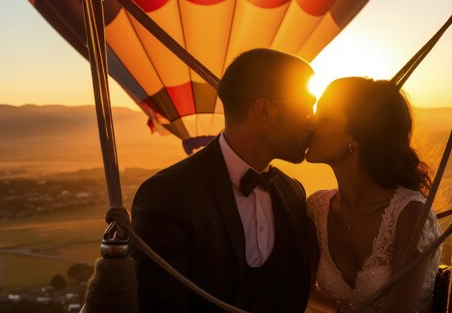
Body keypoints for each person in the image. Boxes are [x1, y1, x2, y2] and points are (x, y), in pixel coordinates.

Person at [131, 48, 317, 313]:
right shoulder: (166, 196)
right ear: (264, 111)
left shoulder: (293, 193)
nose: (312, 123)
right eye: (307, 108)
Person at [306, 77, 441, 313]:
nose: (310, 125)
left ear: (356, 136)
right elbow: (302, 290)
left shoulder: (410, 215)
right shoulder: (316, 208)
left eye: (324, 117)